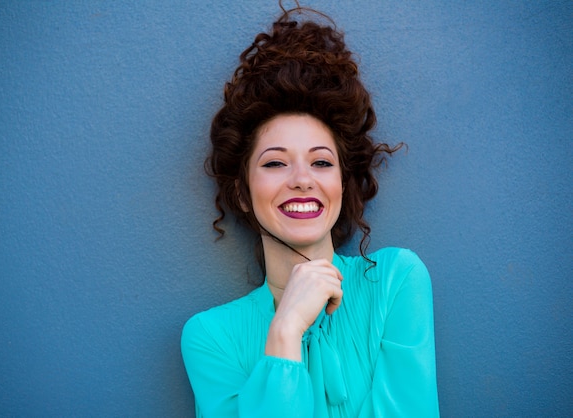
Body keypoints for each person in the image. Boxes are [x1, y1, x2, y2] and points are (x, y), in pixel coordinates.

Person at [181, 4, 439, 417]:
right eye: (274, 163)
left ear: (342, 184)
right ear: (243, 194)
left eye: (321, 162)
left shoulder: (395, 281)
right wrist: (284, 334)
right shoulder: (210, 337)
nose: (303, 179)